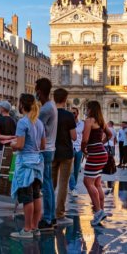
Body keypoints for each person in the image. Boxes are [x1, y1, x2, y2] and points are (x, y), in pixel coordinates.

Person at [10, 94, 45, 239]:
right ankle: (35, 227)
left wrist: (12, 144)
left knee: (27, 197)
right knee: (36, 195)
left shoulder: (23, 122)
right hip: (37, 162)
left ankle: (27, 229)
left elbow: (20, 145)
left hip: (25, 164)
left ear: (22, 105)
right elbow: (43, 145)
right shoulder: (39, 122)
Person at [81, 101, 111, 226]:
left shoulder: (89, 121)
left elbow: (85, 139)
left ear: (90, 109)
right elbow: (109, 134)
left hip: (94, 154)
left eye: (87, 108)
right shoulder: (101, 121)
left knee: (87, 182)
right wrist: (101, 143)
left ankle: (98, 212)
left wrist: (84, 149)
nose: (86, 110)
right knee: (97, 182)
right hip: (102, 153)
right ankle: (101, 210)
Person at [36, 78, 58, 231]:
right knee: (49, 184)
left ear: (39, 91)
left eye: (36, 89)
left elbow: (36, 127)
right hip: (50, 149)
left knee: (46, 186)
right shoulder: (51, 106)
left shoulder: (45, 109)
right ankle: (52, 216)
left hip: (45, 150)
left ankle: (48, 218)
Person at [52, 88, 76, 226]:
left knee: (51, 184)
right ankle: (59, 213)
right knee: (63, 184)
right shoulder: (68, 116)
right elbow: (73, 136)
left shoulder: (50, 114)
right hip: (66, 152)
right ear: (65, 99)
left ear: (54, 98)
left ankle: (48, 212)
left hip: (52, 151)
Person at [69, 107, 84, 197]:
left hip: (79, 148)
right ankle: (73, 188)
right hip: (69, 148)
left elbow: (85, 136)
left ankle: (72, 186)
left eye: (74, 113)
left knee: (76, 169)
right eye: (71, 113)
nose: (72, 115)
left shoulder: (82, 124)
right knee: (70, 170)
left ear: (77, 114)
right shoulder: (67, 123)